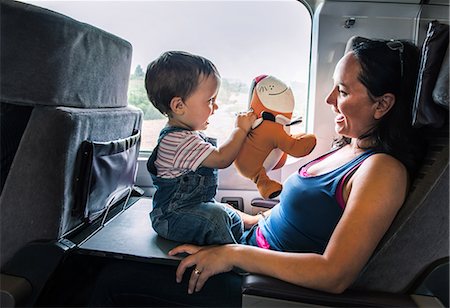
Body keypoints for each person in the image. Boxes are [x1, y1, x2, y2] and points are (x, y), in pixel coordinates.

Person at [90, 38, 426, 306]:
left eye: (342, 90)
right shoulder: (349, 148)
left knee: (113, 281)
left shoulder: (382, 171)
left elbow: (333, 274)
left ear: (382, 104)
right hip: (247, 250)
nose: (328, 100)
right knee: (121, 260)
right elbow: (289, 220)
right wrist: (227, 219)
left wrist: (231, 254)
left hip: (261, 287)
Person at [145, 51, 257, 245]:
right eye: (210, 101)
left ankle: (245, 238)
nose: (215, 107)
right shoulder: (178, 141)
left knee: (226, 212)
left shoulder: (187, 136)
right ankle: (231, 257)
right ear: (179, 106)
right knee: (216, 217)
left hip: (191, 208)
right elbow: (222, 159)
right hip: (172, 218)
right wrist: (240, 129)